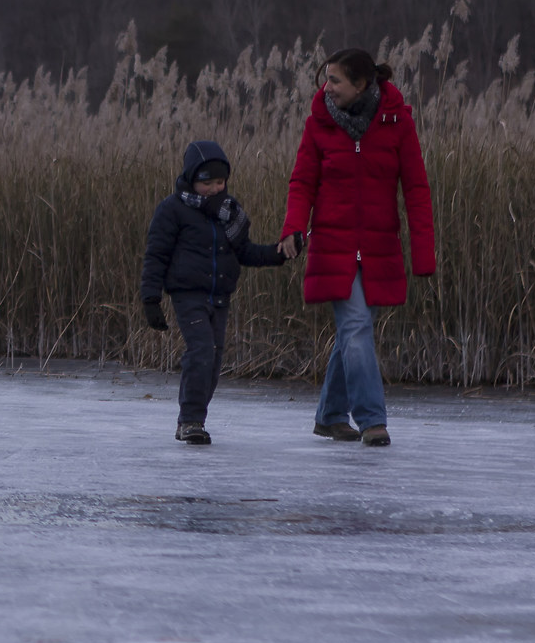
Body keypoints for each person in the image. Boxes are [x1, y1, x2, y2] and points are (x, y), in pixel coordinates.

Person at [281, 48, 436, 448]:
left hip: (379, 246)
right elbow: (302, 183)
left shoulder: (397, 123)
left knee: (354, 332)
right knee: (356, 327)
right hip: (333, 245)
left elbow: (416, 190)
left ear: (362, 84)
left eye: (335, 81)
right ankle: (372, 420)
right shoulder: (318, 125)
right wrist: (293, 228)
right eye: (326, 79)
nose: (326, 88)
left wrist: (423, 251)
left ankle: (331, 416)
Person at [139, 141, 296, 445]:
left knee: (212, 358)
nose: (213, 188)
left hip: (220, 297)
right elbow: (155, 255)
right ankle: (190, 421)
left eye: (219, 182)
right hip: (188, 295)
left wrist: (278, 254)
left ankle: (194, 419)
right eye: (206, 182)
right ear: (191, 179)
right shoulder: (172, 210)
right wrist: (151, 299)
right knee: (200, 352)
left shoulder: (229, 213)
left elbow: (245, 252)